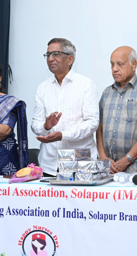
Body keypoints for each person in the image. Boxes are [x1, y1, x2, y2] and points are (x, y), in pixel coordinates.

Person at [31, 38, 99, 174]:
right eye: (48, 55)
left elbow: (92, 123)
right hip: (49, 163)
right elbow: (35, 124)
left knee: (77, 189)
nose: (50, 59)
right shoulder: (43, 88)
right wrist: (46, 126)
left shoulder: (86, 84)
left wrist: (63, 135)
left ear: (70, 59)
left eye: (56, 54)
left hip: (79, 162)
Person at [97, 46, 137, 173]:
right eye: (112, 64)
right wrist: (103, 157)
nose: (115, 69)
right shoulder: (106, 93)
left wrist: (126, 160)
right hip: (109, 169)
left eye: (120, 64)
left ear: (134, 65)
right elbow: (99, 128)